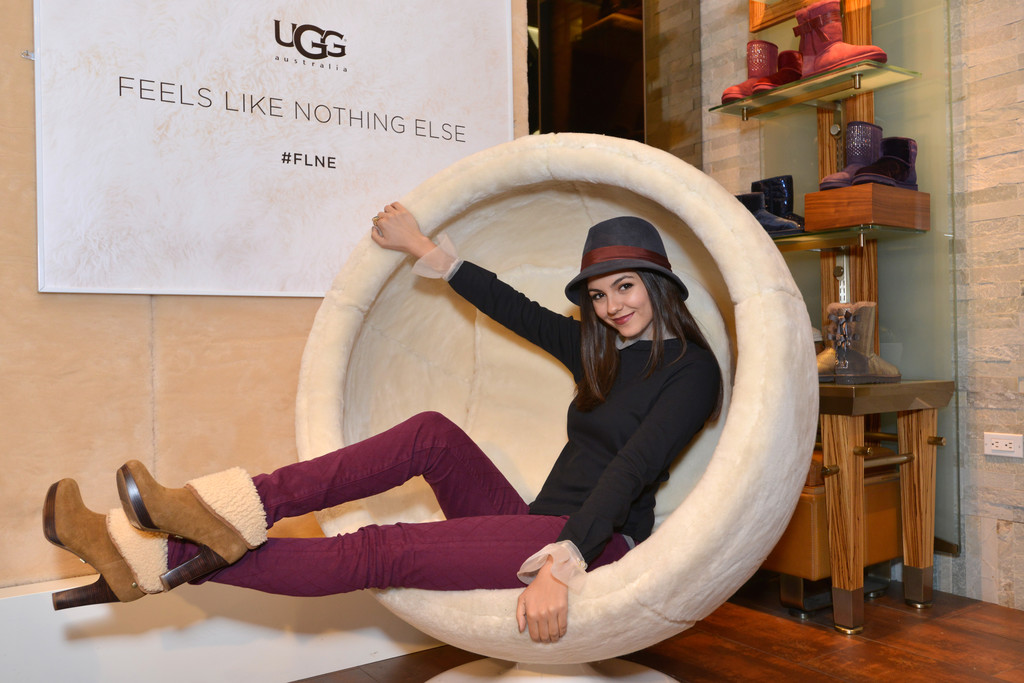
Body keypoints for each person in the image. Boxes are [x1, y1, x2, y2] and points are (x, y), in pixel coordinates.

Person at [42, 203, 722, 644]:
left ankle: (152, 559)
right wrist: (421, 246)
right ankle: (235, 506)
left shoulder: (692, 371)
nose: (611, 305)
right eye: (599, 294)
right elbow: (513, 307)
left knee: (383, 549)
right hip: (536, 521)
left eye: (625, 286)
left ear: (658, 285)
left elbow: (633, 466)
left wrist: (563, 561)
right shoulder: (599, 352)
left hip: (594, 544)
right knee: (431, 435)